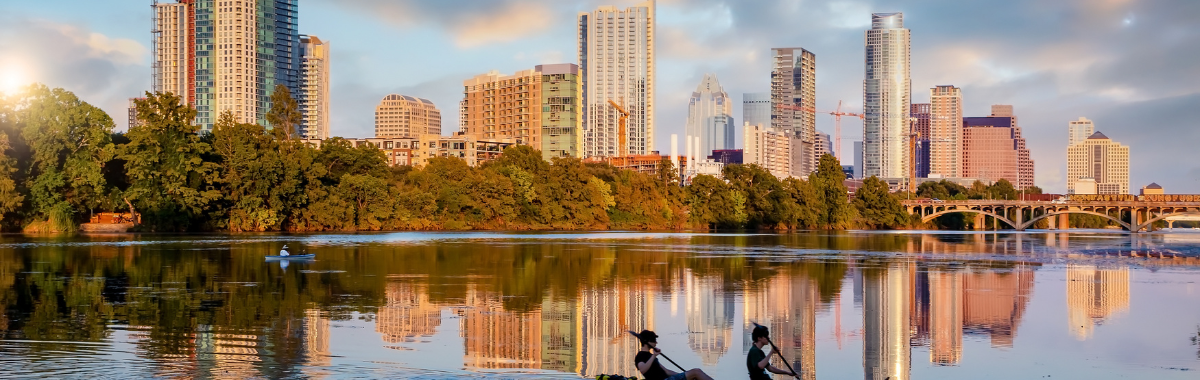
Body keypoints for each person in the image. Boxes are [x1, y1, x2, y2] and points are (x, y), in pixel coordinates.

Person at [633, 330, 713, 380]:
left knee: (694, 374)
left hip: (668, 378)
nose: (656, 342)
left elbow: (666, 371)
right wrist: (653, 356)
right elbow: (643, 369)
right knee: (696, 372)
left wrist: (684, 375)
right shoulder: (641, 356)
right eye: (654, 340)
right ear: (648, 342)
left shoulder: (650, 356)